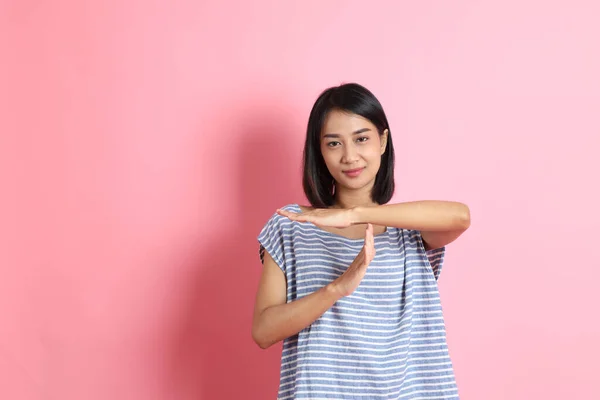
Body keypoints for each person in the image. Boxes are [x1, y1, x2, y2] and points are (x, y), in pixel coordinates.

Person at [252, 82, 470, 399]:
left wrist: (354, 214)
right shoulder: (291, 225)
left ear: (382, 141)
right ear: (320, 151)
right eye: (334, 144)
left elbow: (460, 217)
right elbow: (263, 331)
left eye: (361, 139)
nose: (350, 156)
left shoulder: (410, 229)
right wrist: (337, 288)